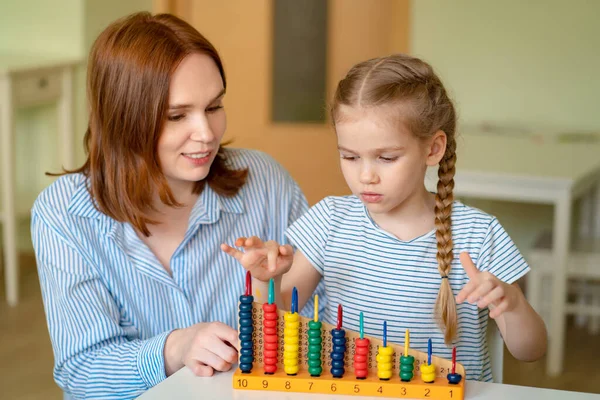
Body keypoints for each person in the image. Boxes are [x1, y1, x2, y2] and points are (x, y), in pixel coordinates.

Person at [31, 12, 321, 399]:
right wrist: (174, 350)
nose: (206, 134)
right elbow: (83, 373)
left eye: (214, 107)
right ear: (124, 120)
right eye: (176, 115)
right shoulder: (64, 212)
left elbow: (321, 329)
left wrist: (274, 287)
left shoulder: (266, 182)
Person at [222, 53, 548, 381]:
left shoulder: (478, 233)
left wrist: (514, 303)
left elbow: (531, 351)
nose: (366, 176)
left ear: (433, 149)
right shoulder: (329, 222)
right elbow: (279, 318)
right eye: (349, 156)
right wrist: (267, 280)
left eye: (386, 158)